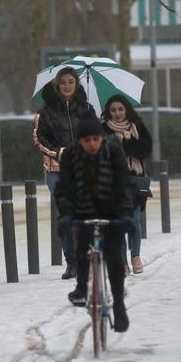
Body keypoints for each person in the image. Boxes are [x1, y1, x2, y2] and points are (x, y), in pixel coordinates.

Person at [54, 115, 135, 333]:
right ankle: (81, 287)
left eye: (95, 139)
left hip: (112, 209)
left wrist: (126, 213)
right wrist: (65, 215)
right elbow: (64, 189)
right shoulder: (70, 155)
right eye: (86, 140)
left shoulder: (113, 150)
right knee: (81, 249)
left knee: (114, 256)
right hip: (83, 210)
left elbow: (123, 184)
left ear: (101, 138)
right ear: (79, 141)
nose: (91, 144)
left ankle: (118, 303)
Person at [33, 67, 97, 279]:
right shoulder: (45, 111)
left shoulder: (87, 108)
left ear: (76, 84)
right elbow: (38, 139)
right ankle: (71, 263)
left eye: (71, 81)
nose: (67, 86)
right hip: (56, 170)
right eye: (63, 82)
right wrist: (58, 152)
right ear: (57, 85)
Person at [101, 95, 152, 275]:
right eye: (113, 110)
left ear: (127, 110)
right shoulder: (103, 130)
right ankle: (122, 262)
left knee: (134, 220)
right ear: (109, 112)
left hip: (135, 181)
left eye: (120, 109)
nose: (117, 113)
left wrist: (129, 140)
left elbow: (145, 151)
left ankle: (135, 256)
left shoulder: (137, 126)